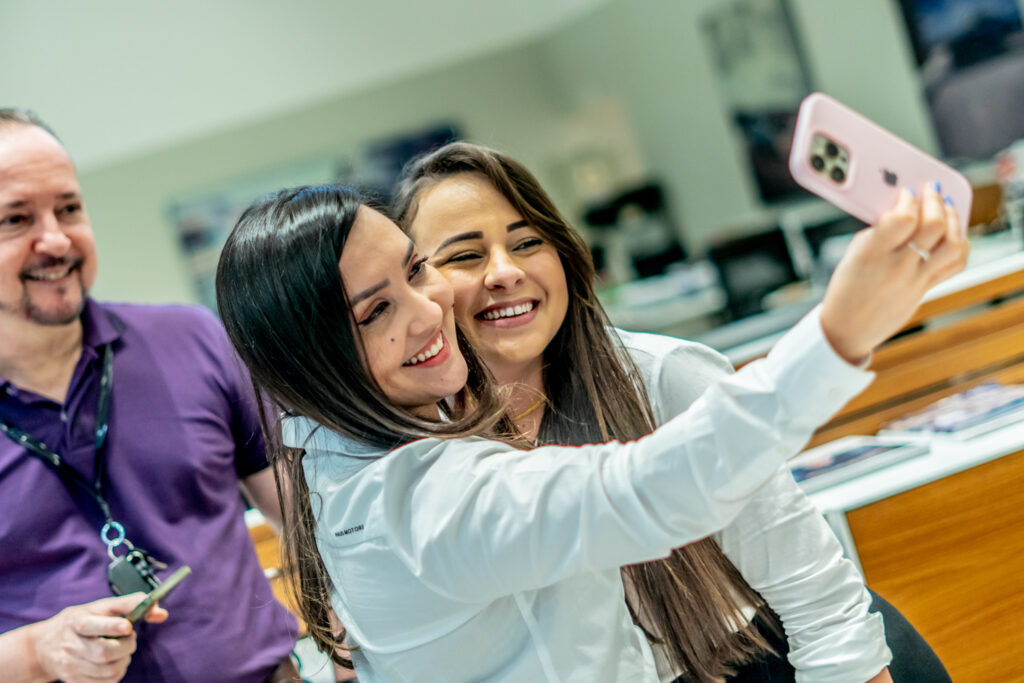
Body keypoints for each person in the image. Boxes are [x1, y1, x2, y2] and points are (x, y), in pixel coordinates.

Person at [214, 171, 965, 682]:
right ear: (309, 363)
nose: (431, 305)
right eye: (375, 311)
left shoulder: (353, 450)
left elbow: (813, 589)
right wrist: (839, 333)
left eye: (415, 271)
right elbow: (646, 492)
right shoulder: (419, 498)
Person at [0, 109, 299, 682]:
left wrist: (348, 647)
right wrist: (39, 651)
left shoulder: (192, 337)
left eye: (68, 208)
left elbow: (307, 520)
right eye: (16, 218)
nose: (56, 238)